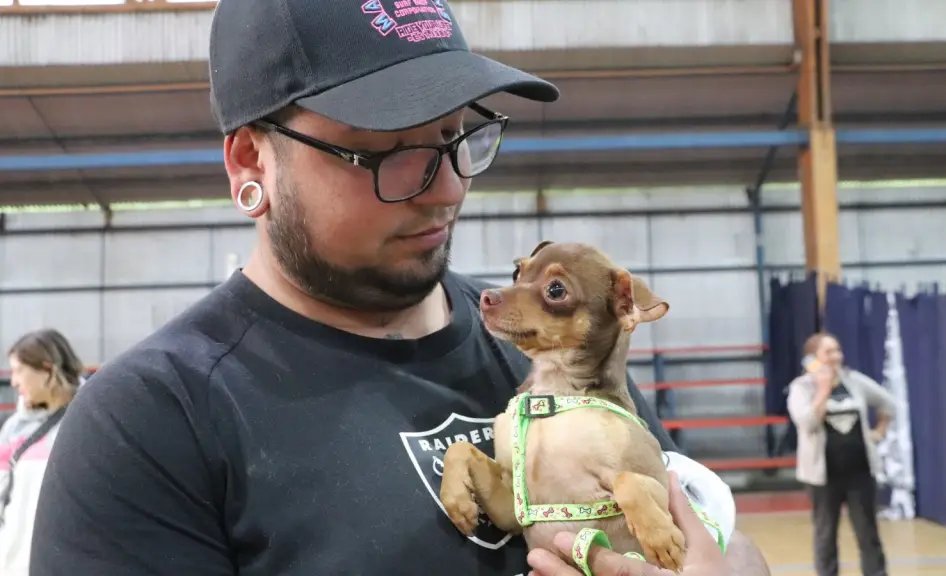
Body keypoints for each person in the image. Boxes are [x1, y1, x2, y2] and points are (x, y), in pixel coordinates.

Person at [30, 1, 771, 575]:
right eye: (383, 152)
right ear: (250, 161)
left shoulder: (550, 346)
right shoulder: (152, 423)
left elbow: (715, 537)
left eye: (456, 135)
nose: (446, 188)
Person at [787, 332, 897, 576]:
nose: (836, 356)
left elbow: (888, 403)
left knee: (868, 534)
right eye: (829, 352)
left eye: (837, 350)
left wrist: (877, 433)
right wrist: (823, 390)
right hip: (823, 477)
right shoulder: (801, 388)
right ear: (813, 358)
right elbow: (806, 423)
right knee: (825, 535)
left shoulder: (854, 381)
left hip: (860, 473)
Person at [0, 329, 85, 576]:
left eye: (18, 370)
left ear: (47, 369)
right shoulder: (14, 428)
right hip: (11, 564)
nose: (13, 381)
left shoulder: (90, 420)